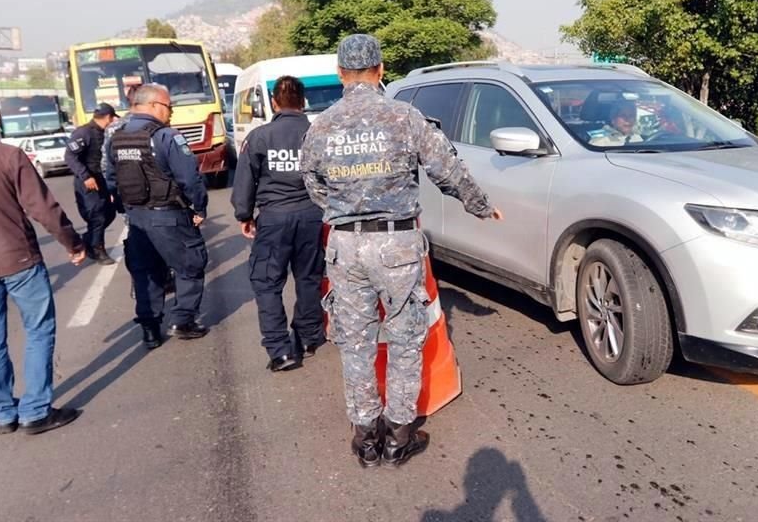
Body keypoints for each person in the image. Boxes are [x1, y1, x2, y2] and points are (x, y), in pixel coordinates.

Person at [301, 34, 503, 468]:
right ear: (380, 69)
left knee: (355, 342)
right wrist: (482, 207)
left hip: (345, 246)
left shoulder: (321, 126)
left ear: (340, 74)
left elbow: (313, 186)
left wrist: (344, 213)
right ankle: (398, 436)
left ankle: (365, 437)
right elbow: (448, 170)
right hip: (397, 245)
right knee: (404, 340)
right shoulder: (403, 117)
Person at [0, 88, 85, 435]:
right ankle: (35, 411)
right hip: (19, 260)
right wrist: (72, 242)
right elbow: (43, 208)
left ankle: (4, 415)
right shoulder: (9, 156)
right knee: (38, 331)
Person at [231, 76, 325, 373]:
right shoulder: (317, 133)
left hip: (274, 219)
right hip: (312, 215)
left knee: (267, 282)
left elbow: (244, 180)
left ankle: (280, 351)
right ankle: (310, 337)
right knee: (308, 277)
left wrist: (244, 215)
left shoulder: (260, 136)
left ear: (274, 102)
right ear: (303, 101)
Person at [105, 84, 210, 350]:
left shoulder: (116, 138)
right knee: (190, 265)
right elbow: (190, 178)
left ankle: (150, 329)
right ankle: (182, 320)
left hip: (136, 218)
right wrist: (199, 208)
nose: (171, 112)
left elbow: (110, 179)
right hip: (169, 216)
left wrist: (124, 209)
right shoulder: (166, 137)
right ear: (153, 105)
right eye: (168, 107)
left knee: (146, 273)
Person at [64, 103, 119, 264]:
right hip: (87, 182)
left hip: (100, 180)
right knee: (97, 216)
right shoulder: (84, 132)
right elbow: (70, 157)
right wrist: (85, 176)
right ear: (108, 117)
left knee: (109, 213)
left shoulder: (103, 133)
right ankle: (97, 249)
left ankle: (89, 239)